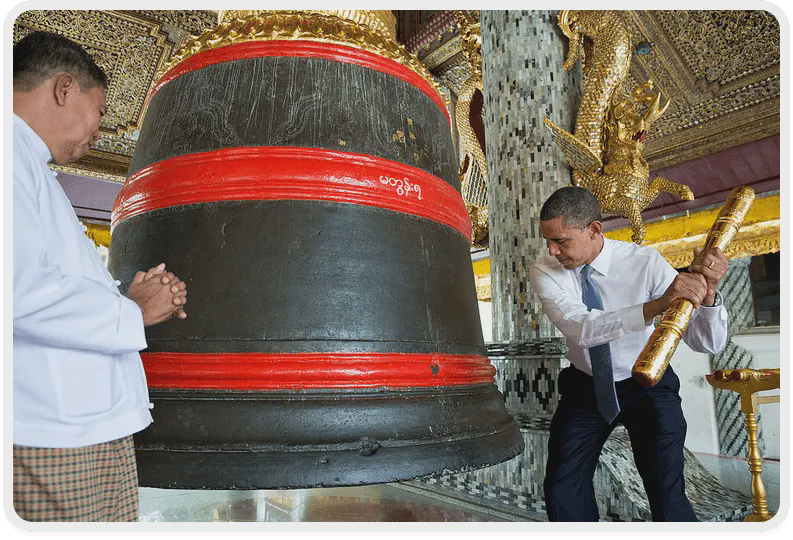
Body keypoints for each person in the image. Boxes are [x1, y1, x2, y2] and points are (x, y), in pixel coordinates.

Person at [13, 31, 188, 522]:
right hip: (51, 433)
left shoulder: (30, 167)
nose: (101, 129)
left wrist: (130, 299)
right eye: (101, 110)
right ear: (64, 88)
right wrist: (132, 311)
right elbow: (17, 292)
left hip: (83, 426)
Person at [529, 186, 728, 522]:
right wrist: (657, 306)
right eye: (548, 240)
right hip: (586, 388)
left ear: (594, 229)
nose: (552, 249)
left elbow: (705, 343)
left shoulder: (645, 262)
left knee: (667, 491)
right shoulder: (545, 271)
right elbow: (582, 328)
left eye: (561, 240)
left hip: (649, 385)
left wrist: (707, 295)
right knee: (562, 488)